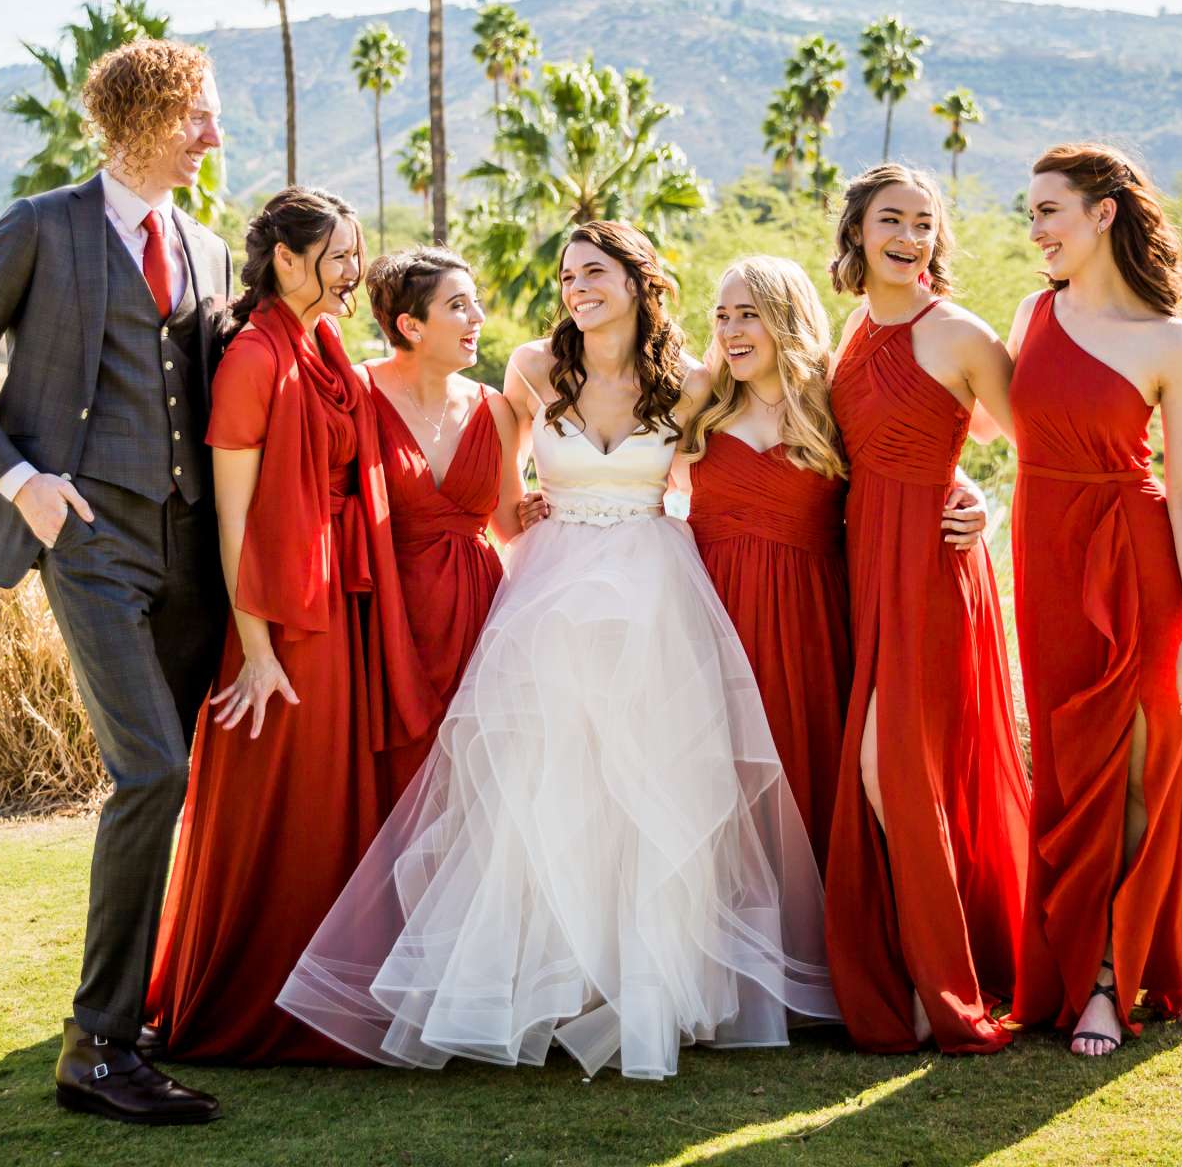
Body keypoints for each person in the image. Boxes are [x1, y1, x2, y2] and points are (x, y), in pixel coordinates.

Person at [279, 221, 835, 1080]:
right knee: (545, 789)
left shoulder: (690, 385)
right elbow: (503, 503)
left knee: (654, 788)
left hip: (656, 591)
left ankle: (652, 989)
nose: (578, 286)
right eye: (569, 274)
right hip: (553, 589)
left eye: (596, 271)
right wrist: (522, 518)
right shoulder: (533, 369)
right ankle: (551, 988)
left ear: (637, 281)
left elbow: (758, 446)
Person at [0, 38, 232, 1125]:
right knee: (150, 770)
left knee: (180, 781)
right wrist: (19, 482)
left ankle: (141, 1013)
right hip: (89, 540)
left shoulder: (207, 246)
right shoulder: (39, 226)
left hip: (193, 553)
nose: (213, 138)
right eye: (200, 117)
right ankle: (96, 1046)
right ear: (144, 115)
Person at [145, 187, 415, 1066]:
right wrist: (255, 651)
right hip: (285, 613)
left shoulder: (326, 342)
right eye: (340, 255)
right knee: (290, 805)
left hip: (343, 591)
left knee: (338, 795)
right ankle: (266, 1002)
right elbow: (234, 517)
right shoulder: (256, 357)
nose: (354, 272)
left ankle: (338, 989)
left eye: (357, 253)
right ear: (288, 260)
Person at [1005, 143, 1182, 1056]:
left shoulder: (1170, 343)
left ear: (1102, 214)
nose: (1036, 231)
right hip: (1046, 562)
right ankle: (1067, 960)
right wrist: (956, 491)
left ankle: (1110, 976)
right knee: (1069, 766)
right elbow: (992, 422)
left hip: (1140, 565)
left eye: (1049, 211)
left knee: (1139, 765)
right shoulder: (1031, 313)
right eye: (1029, 214)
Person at [676, 256, 989, 868]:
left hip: (813, 626)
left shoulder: (834, 400)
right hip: (714, 617)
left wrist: (969, 493)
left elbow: (911, 457)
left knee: (810, 777)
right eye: (722, 318)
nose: (731, 331)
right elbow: (628, 471)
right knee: (718, 780)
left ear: (786, 321)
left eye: (749, 316)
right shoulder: (700, 402)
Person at [821, 163, 1032, 1055]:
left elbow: (1041, 446)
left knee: (892, 773)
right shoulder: (853, 327)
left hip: (932, 569)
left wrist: (991, 505)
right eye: (891, 220)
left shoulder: (963, 334)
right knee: (901, 776)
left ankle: (936, 986)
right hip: (863, 559)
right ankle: (928, 963)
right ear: (859, 234)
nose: (910, 236)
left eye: (924, 222)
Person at [360, 247, 527, 811]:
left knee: (475, 788)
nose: (478, 317)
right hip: (389, 622)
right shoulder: (357, 397)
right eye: (459, 305)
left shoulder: (496, 408)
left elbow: (508, 521)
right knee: (400, 786)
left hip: (480, 619)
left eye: (475, 301)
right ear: (410, 325)